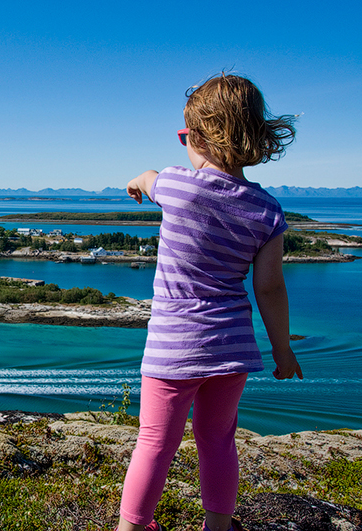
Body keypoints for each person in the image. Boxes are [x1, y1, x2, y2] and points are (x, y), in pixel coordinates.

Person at [118, 74, 304, 531]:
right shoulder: (268, 210)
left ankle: (132, 527)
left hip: (172, 348)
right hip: (232, 349)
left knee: (155, 442)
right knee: (219, 440)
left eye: (184, 135)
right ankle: (217, 528)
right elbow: (270, 288)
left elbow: (150, 177)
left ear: (199, 135)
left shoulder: (179, 186)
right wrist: (282, 349)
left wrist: (139, 180)